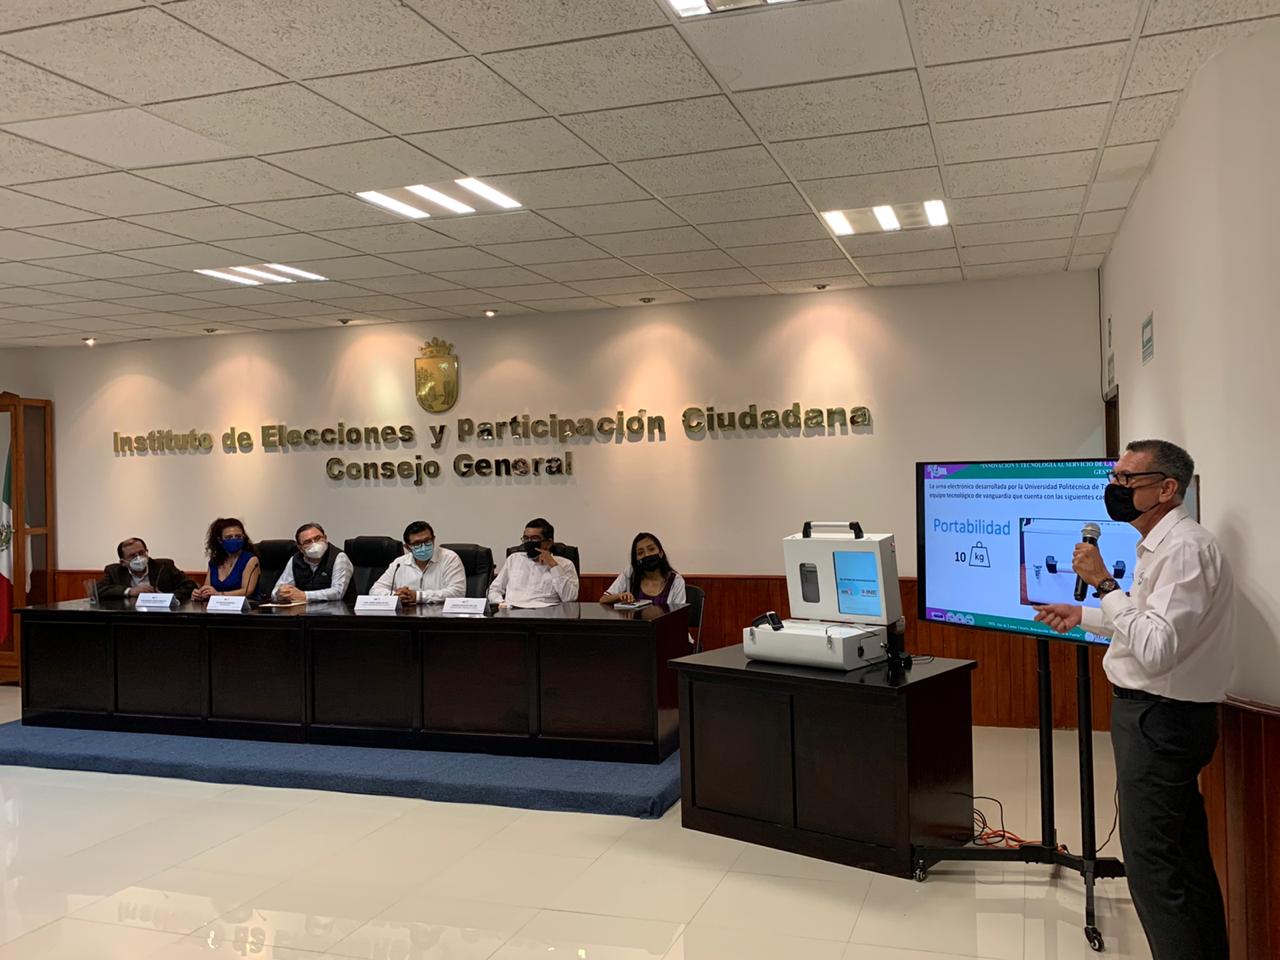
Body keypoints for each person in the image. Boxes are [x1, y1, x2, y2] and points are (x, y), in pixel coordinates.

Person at [1033, 439, 1233, 960]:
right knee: (1182, 859)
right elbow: (1146, 624)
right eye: (1115, 477)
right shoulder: (1160, 547)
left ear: (1166, 489)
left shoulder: (1184, 549)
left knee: (1154, 869)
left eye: (1127, 479)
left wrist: (1102, 583)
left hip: (1161, 720)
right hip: (1158, 716)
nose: (1115, 488)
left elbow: (1156, 646)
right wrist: (1086, 614)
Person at [487, 517, 578, 607]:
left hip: (545, 613)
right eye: (526, 538)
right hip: (512, 611)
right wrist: (502, 603)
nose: (529, 542)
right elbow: (494, 590)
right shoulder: (513, 559)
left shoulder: (566, 564)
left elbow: (569, 598)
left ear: (549, 542)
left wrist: (553, 565)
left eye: (534, 538)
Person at [370, 521, 466, 605]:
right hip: (406, 617)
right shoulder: (399, 563)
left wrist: (418, 596)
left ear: (433, 539)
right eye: (417, 543)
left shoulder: (449, 558)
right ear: (407, 547)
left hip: (440, 617)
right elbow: (374, 590)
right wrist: (396, 596)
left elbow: (457, 592)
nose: (423, 547)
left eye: (427, 541)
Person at [600, 532, 687, 610]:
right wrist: (619, 596)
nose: (647, 555)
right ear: (636, 559)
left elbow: (679, 615)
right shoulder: (630, 573)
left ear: (661, 553)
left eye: (651, 549)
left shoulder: (676, 580)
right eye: (640, 553)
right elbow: (603, 599)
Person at [97, 537, 197, 602]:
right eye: (132, 556)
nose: (139, 558)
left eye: (141, 553)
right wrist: (130, 591)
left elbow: (190, 585)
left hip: (162, 616)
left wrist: (163, 597)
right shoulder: (114, 571)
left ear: (147, 552)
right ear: (123, 562)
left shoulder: (164, 566)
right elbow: (97, 590)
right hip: (128, 617)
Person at [273, 522, 352, 603]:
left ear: (325, 538)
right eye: (307, 542)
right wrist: (280, 594)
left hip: (337, 609)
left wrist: (304, 596)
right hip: (304, 609)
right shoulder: (295, 560)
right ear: (300, 548)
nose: (314, 544)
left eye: (318, 538)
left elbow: (338, 592)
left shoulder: (339, 557)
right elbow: (275, 591)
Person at [192, 518, 259, 601]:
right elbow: (207, 588)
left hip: (245, 606)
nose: (234, 539)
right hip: (218, 606)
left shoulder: (251, 560)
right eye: (229, 537)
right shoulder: (214, 562)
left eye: (238, 536)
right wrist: (200, 594)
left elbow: (247, 591)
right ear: (220, 540)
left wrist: (219, 594)